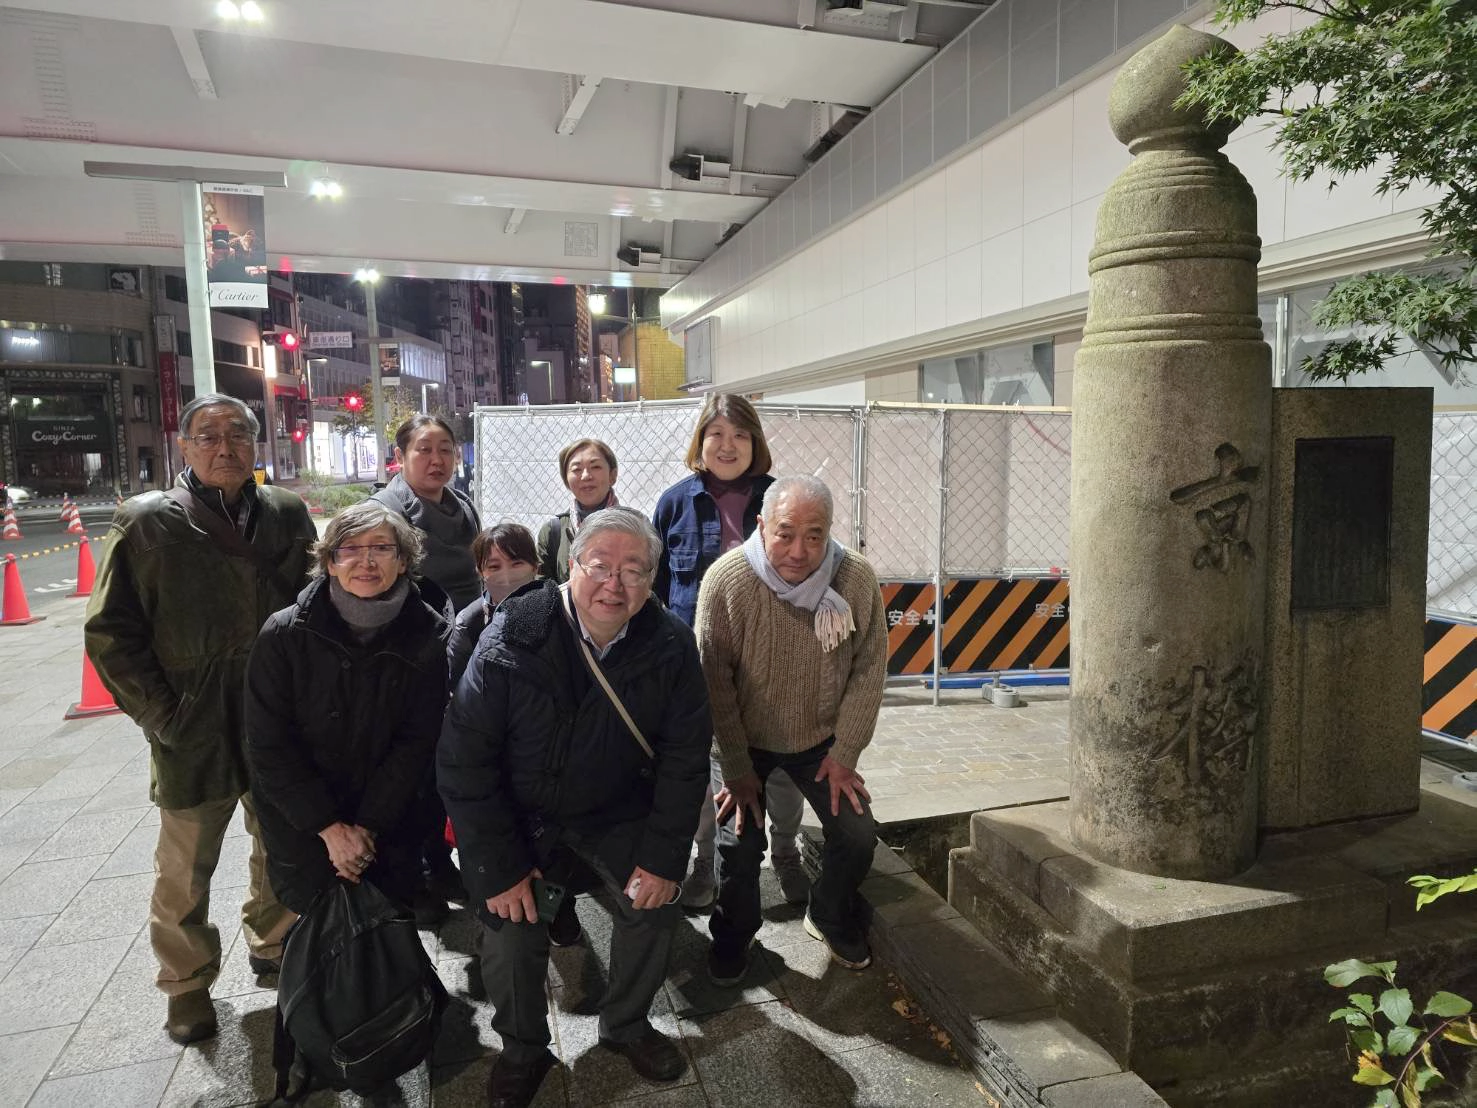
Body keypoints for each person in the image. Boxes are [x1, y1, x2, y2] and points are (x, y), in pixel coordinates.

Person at [439, 508, 711, 1108]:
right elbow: (463, 760)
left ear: (651, 580)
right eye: (601, 566)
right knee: (508, 925)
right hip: (523, 817)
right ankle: (522, 1046)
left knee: (654, 903)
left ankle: (628, 1024)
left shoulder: (668, 643)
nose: (615, 584)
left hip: (616, 813)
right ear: (571, 565)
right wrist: (499, 864)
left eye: (634, 571)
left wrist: (665, 858)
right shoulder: (513, 633)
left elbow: (685, 759)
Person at [84, 393, 316, 1046]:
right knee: (184, 868)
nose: (224, 447)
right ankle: (186, 986)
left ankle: (274, 942)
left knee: (281, 844)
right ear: (182, 447)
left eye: (237, 434)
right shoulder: (146, 521)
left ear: (256, 444)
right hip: (192, 724)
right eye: (207, 435)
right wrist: (161, 714)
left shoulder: (286, 512)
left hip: (276, 718)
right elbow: (110, 630)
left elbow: (314, 606)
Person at [696, 475, 887, 985]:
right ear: (760, 526)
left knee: (856, 832)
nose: (799, 550)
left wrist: (846, 753)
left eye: (815, 535)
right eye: (785, 533)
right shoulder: (727, 581)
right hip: (744, 742)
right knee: (737, 846)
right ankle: (733, 935)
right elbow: (714, 682)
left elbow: (869, 670)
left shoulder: (855, 580)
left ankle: (826, 912)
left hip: (821, 743)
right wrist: (735, 767)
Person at [244, 501, 450, 919]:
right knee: (319, 933)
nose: (366, 561)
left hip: (390, 818)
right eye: (349, 549)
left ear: (404, 560)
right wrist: (329, 829)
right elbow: (267, 743)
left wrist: (367, 828)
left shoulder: (428, 634)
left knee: (390, 928)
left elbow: (417, 741)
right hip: (304, 822)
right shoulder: (285, 634)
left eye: (381, 548)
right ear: (330, 563)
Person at [651, 394, 807, 909]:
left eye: (740, 435)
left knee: (781, 764)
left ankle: (785, 852)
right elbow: (655, 591)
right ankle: (705, 860)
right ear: (700, 441)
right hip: (694, 666)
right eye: (716, 434)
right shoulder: (674, 503)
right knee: (698, 767)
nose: (727, 445)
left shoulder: (780, 498)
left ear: (755, 443)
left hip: (772, 662)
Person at [371, 413, 481, 923]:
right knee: (410, 770)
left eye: (445, 450)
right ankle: (410, 875)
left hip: (462, 654)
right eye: (424, 450)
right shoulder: (386, 514)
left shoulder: (463, 509)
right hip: (410, 658)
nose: (437, 460)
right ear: (401, 457)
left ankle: (440, 861)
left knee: (447, 764)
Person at [447, 522, 540, 687]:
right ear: (480, 572)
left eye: (516, 563)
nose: (507, 577)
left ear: (535, 567)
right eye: (494, 567)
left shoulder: (560, 613)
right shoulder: (469, 624)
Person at [535, 438, 619, 583]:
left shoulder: (636, 527)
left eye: (596, 467)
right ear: (566, 481)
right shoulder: (552, 532)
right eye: (576, 469)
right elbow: (543, 593)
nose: (586, 476)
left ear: (612, 475)